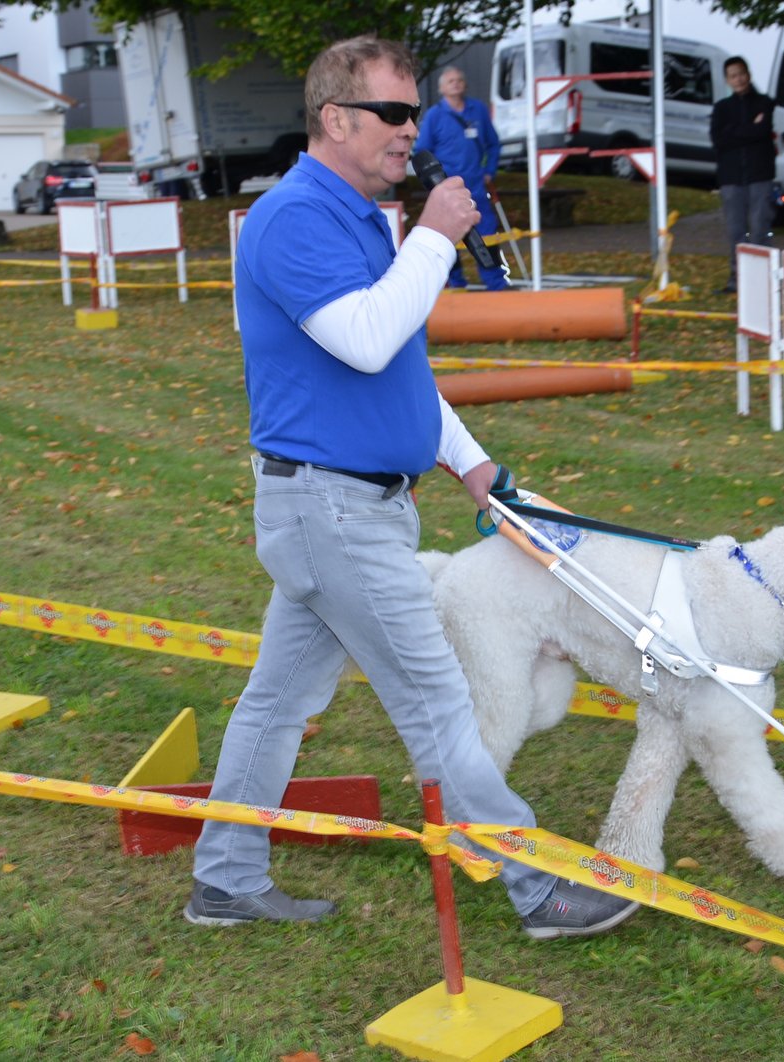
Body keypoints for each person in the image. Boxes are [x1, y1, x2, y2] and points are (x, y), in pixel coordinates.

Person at [186, 35, 638, 942]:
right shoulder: (291, 219)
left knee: (277, 704)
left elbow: (395, 368)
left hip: (350, 509)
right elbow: (363, 337)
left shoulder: (357, 214)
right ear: (336, 119)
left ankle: (225, 880)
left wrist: (470, 464)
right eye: (395, 113)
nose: (412, 130)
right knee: (438, 702)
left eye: (416, 112)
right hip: (332, 511)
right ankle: (536, 885)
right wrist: (433, 235)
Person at [413, 65, 509, 290]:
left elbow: (493, 144)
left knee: (487, 236)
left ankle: (496, 284)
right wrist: (434, 181)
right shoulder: (435, 116)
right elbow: (422, 152)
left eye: (459, 80)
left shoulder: (478, 110)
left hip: (476, 185)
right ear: (441, 89)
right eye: (450, 81)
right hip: (448, 188)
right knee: (450, 237)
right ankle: (456, 284)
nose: (456, 84)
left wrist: (490, 171)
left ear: (464, 84)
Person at [709, 56, 776, 294]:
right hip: (731, 179)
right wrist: (751, 129)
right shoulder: (721, 109)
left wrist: (737, 133)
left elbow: (763, 131)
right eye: (733, 75)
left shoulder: (765, 103)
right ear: (727, 80)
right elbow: (719, 140)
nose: (738, 79)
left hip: (760, 175)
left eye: (741, 74)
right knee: (736, 231)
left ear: (748, 74)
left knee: (760, 228)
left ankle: (764, 279)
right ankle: (737, 280)